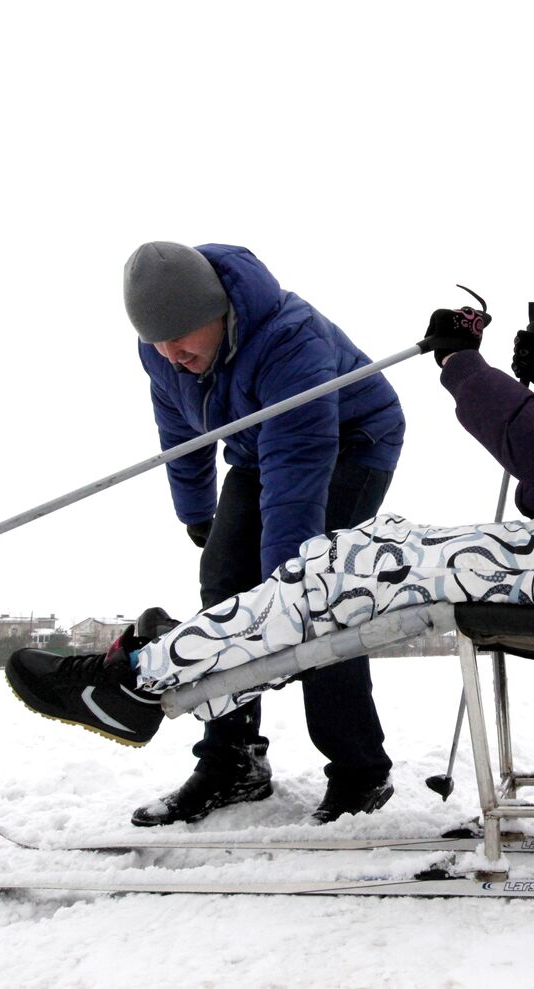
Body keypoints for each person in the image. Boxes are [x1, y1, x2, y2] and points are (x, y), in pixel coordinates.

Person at [6, 194, 534, 787]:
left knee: (353, 567)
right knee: (360, 557)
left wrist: (460, 366)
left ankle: (142, 677)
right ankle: (156, 668)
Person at [127, 242, 404, 826]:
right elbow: (180, 432)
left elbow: (299, 467)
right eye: (159, 341)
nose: (173, 353)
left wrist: (289, 578)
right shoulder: (163, 355)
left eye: (183, 336)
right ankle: (233, 761)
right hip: (257, 450)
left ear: (220, 309)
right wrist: (196, 511)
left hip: (353, 442)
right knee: (222, 582)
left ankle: (360, 771)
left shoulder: (288, 337)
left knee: (319, 595)